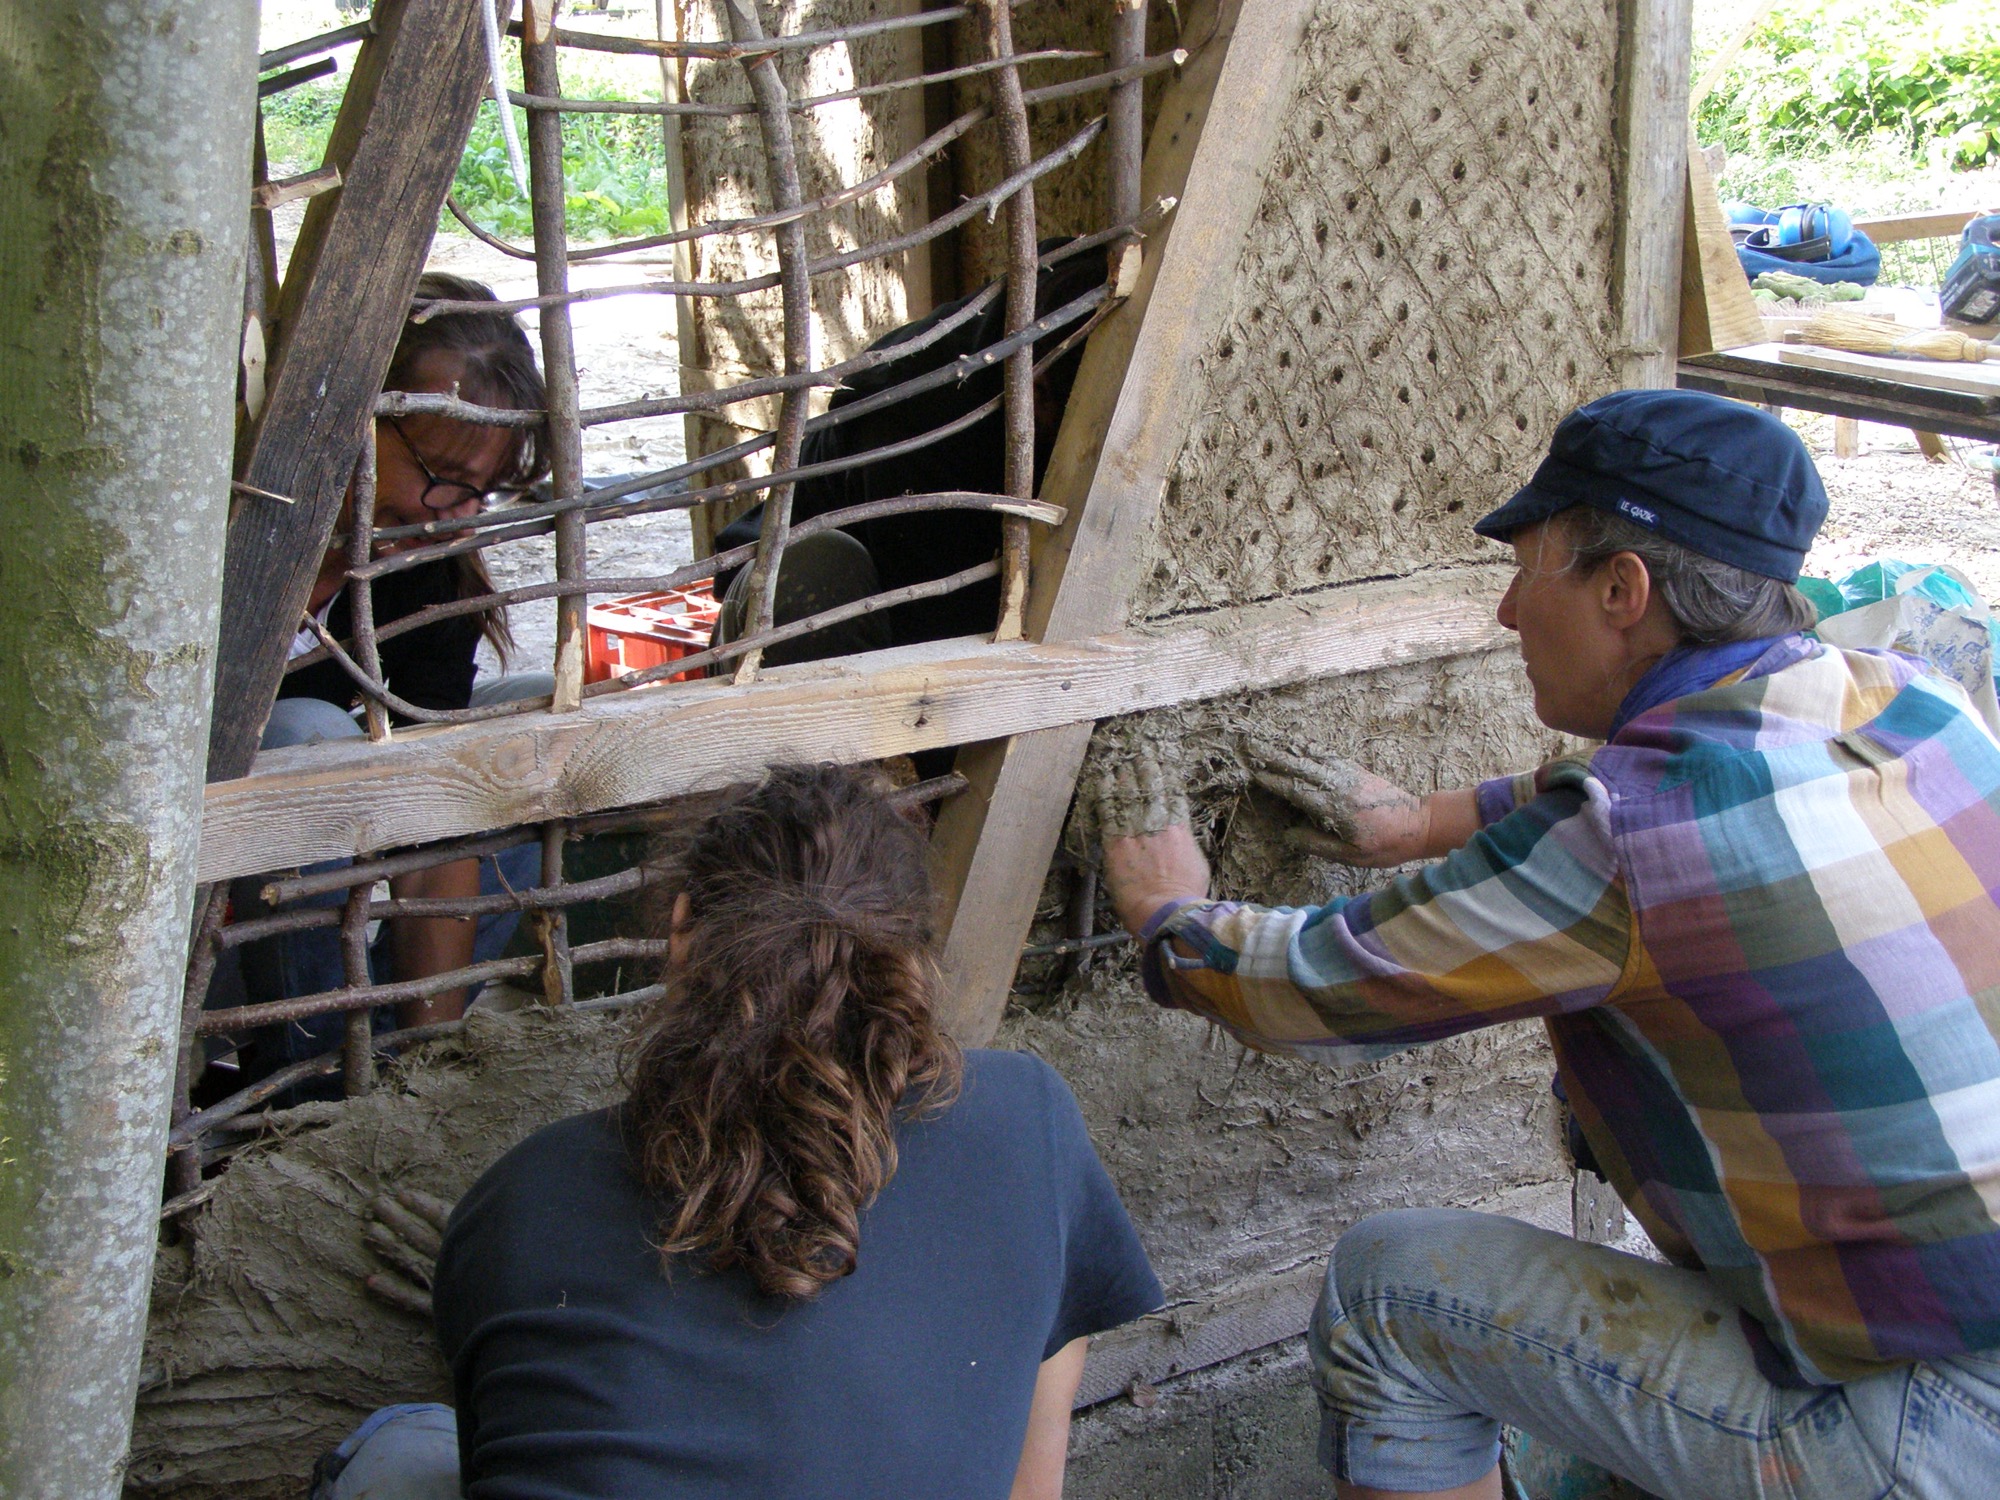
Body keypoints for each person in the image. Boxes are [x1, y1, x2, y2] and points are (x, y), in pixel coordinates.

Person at [1099, 389, 2000, 1499]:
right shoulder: (1911, 700)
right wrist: (1420, 824)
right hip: (1957, 1333)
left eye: (1527, 571)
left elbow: (1309, 988)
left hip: (1929, 1422)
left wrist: (1166, 914)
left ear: (1622, 592)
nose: (1504, 611)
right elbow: (1676, 785)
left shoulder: (1626, 839)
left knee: (1389, 1294)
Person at [314, 762, 1163, 1499]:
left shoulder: (525, 1197)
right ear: (911, 950)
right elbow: (1030, 1486)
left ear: (682, 928)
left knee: (396, 1445)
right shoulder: (1029, 1120)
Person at [206, 274, 554, 1096]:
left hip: (325, 894)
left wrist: (431, 1073)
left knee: (525, 730)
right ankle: (307, 1076)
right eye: (442, 474)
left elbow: (441, 814)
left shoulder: (428, 572)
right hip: (206, 889)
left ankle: (389, 1064)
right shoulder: (223, 527)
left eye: (480, 493)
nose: (454, 516)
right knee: (307, 736)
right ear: (353, 417)